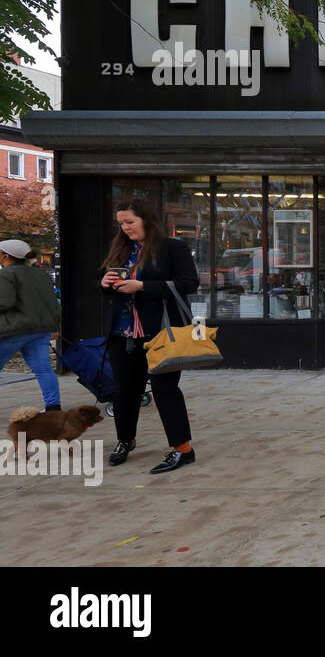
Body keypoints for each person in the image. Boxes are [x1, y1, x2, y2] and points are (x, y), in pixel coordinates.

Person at [100, 199, 201, 474]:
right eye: (121, 223)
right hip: (123, 333)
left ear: (146, 219)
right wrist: (105, 283)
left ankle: (183, 450)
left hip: (160, 333)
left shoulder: (172, 247)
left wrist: (143, 286)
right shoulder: (121, 248)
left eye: (130, 222)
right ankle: (125, 440)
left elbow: (189, 283)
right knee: (123, 392)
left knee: (164, 389)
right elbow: (107, 282)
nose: (125, 228)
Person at [0, 239, 62, 410]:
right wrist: (55, 327)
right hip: (41, 330)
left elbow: (4, 302)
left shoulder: (6, 274)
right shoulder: (40, 274)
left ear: (5, 255)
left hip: (14, 330)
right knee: (43, 369)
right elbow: (53, 303)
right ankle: (53, 408)